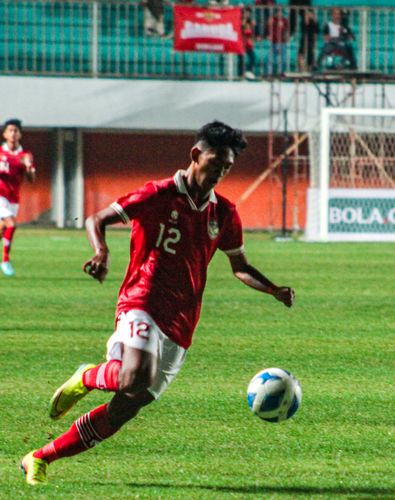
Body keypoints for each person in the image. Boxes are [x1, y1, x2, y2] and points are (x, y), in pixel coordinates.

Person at [20, 121, 295, 485]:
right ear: (196, 155)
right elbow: (96, 219)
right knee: (134, 375)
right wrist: (101, 252)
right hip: (142, 298)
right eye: (216, 162)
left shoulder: (224, 214)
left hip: (181, 322)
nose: (221, 172)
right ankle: (87, 376)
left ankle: (40, 457)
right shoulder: (158, 194)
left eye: (227, 167)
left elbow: (239, 267)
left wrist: (273, 289)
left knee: (126, 406)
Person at [0, 118, 36, 277]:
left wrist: (29, 168)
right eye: (10, 130)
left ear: (20, 134)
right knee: (11, 224)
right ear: (4, 134)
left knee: (2, 229)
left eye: (16, 131)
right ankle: (5, 260)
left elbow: (32, 179)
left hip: (13, 198)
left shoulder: (25, 155)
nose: (13, 133)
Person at [267, 8, 289, 75]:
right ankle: (269, 74)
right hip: (273, 42)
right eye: (278, 12)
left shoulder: (285, 20)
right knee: (270, 58)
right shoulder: (271, 19)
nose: (279, 14)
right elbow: (267, 30)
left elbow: (287, 31)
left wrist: (283, 27)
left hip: (282, 42)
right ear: (275, 13)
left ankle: (280, 73)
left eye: (280, 12)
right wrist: (269, 24)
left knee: (282, 59)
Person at [241, 11, 257, 79]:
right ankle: (241, 75)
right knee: (241, 60)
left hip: (248, 43)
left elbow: (252, 33)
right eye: (245, 13)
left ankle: (248, 71)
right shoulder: (240, 20)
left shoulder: (251, 22)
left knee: (253, 58)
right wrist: (243, 23)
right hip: (241, 43)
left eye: (248, 13)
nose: (247, 14)